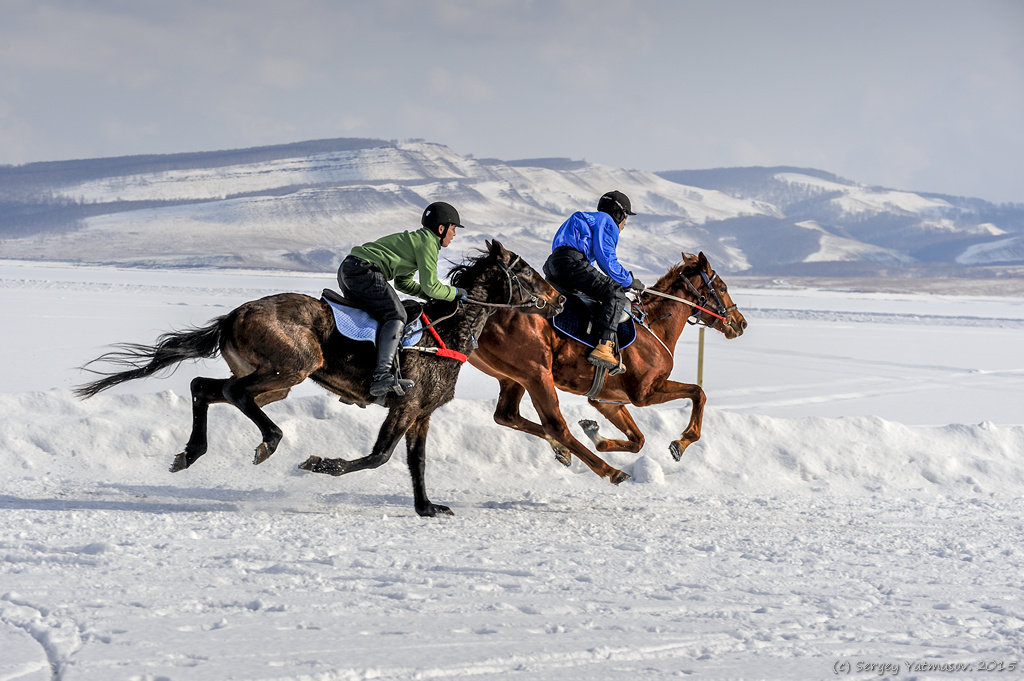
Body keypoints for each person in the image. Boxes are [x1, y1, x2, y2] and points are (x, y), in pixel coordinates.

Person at [338, 201, 468, 397]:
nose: (454, 234)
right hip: (365, 270)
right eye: (453, 228)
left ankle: (356, 377)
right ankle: (382, 376)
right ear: (441, 228)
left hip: (350, 268)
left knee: (376, 320)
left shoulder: (417, 240)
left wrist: (432, 297)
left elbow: (402, 283)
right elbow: (431, 286)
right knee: (396, 315)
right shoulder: (428, 242)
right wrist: (456, 293)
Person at [543, 190, 645, 369]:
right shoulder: (606, 222)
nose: (625, 224)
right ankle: (604, 347)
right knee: (615, 293)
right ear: (618, 213)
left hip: (554, 264)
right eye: (625, 217)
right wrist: (628, 281)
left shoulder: (582, 219)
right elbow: (606, 260)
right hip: (572, 263)